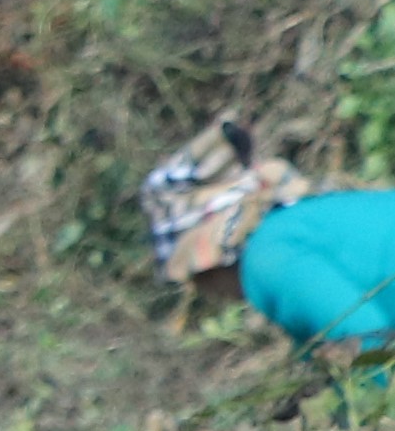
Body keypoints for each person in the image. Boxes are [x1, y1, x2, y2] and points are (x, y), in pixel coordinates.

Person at [146, 119, 395, 353]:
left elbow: (364, 337)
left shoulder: (266, 259)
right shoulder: (294, 221)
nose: (204, 291)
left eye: (196, 277)